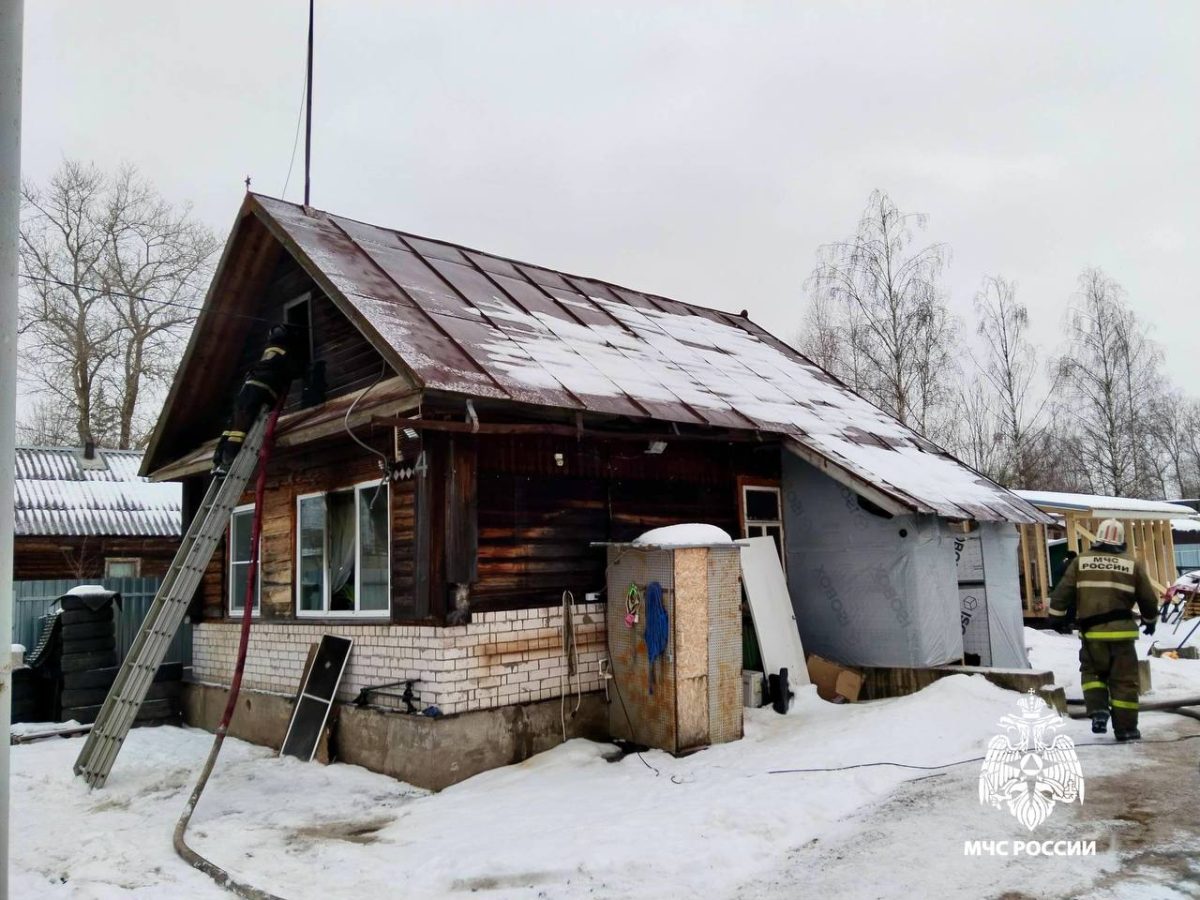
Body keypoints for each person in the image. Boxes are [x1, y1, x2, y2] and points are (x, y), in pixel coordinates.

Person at [1048, 519, 1159, 741]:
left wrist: (1056, 618)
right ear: (1121, 540)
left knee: (1093, 674)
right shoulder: (1131, 564)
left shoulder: (1081, 562)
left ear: (1097, 537)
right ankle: (1126, 729)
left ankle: (1098, 712)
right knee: (1124, 681)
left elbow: (1062, 593)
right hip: (1122, 636)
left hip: (1092, 635)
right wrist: (1150, 620)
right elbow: (1148, 598)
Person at [211, 324, 302, 476]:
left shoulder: (267, 351)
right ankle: (228, 463)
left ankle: (217, 462)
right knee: (242, 428)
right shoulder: (285, 353)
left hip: (246, 389)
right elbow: (295, 371)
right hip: (261, 391)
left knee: (232, 427)